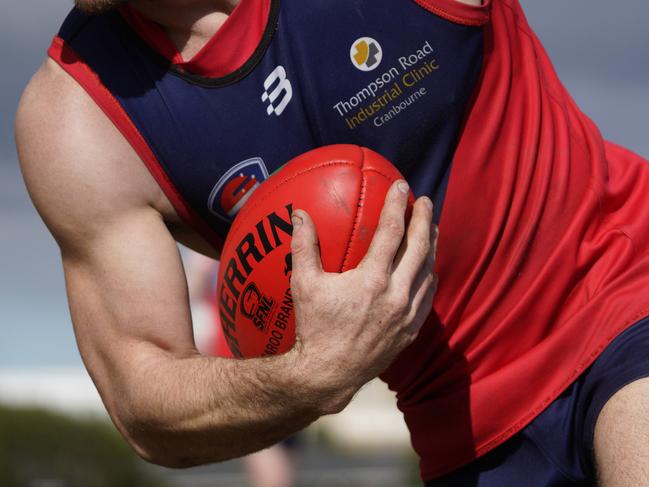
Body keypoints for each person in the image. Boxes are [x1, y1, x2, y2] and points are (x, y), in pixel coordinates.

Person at [14, 0, 649, 485]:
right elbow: (144, 402)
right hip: (460, 428)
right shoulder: (80, 119)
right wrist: (310, 376)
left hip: (620, 286)